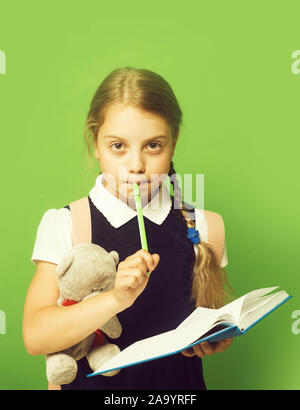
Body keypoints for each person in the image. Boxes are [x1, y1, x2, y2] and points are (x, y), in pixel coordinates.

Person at [22, 67, 233, 390]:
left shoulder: (204, 226)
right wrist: (116, 299)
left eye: (152, 146)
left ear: (173, 144)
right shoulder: (68, 222)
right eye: (118, 146)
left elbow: (206, 321)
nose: (135, 165)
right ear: (95, 144)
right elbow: (36, 337)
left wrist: (215, 339)